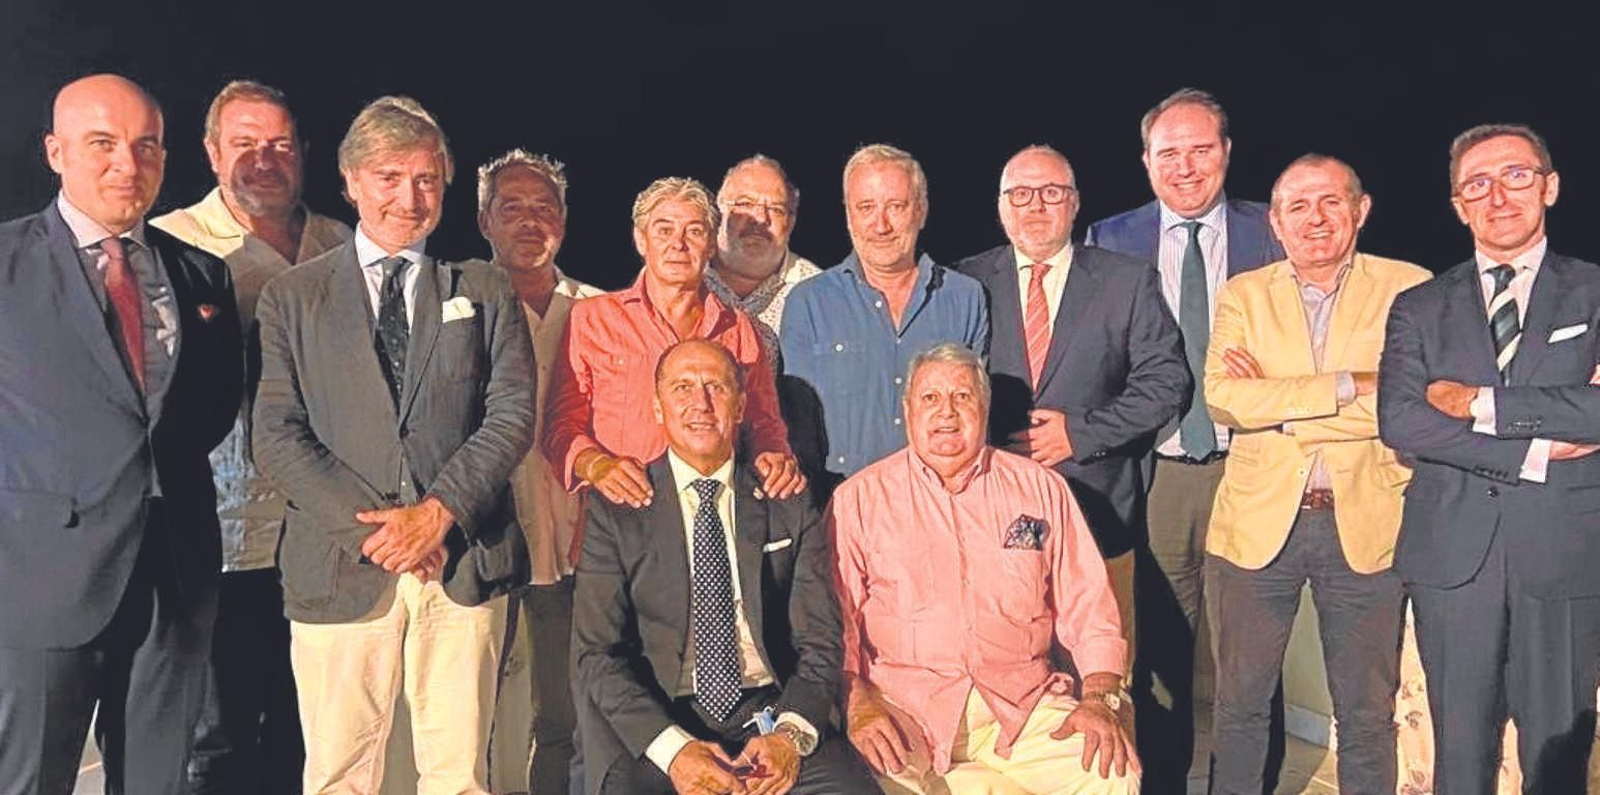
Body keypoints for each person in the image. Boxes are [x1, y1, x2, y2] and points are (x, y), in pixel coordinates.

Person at [252, 95, 535, 794]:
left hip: (461, 562)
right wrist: (383, 534)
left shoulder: (485, 288)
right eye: (388, 177)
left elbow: (510, 415)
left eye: (427, 179)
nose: (408, 197)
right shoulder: (292, 298)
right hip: (343, 566)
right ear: (350, 181)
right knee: (339, 774)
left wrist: (436, 513)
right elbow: (278, 433)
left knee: (458, 772)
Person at [0, 73, 243, 794]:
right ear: (54, 150)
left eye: (146, 147)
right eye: (102, 144)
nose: (126, 165)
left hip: (174, 573)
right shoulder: (7, 264)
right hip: (41, 578)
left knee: (157, 780)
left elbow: (212, 407)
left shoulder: (200, 275)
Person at [1378, 123, 1600, 793]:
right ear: (1457, 204)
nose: (1498, 195)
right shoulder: (1418, 307)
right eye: (1477, 183)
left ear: (1550, 186)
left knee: (1558, 752)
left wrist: (1480, 404)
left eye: (1517, 175)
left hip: (1563, 550)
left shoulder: (1593, 292)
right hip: (1453, 555)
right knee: (1462, 755)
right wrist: (1532, 452)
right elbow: (1403, 421)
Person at [1203, 155, 1429, 793]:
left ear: (1361, 210)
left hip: (1368, 525)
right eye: (1297, 206)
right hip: (1255, 527)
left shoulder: (1409, 287)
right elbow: (1224, 399)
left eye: (1331, 202)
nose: (1315, 218)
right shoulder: (1244, 293)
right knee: (1241, 705)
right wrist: (1348, 386)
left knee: (1365, 712)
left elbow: (1409, 405)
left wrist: (1283, 408)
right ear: (1275, 222)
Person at [151, 79, 351, 794]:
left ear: (303, 153)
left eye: (280, 144)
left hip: (329, 535)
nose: (265, 159)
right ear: (211, 153)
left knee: (317, 734)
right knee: (217, 738)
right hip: (223, 535)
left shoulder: (343, 243)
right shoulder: (171, 243)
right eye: (245, 144)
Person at [1083, 87, 1284, 787]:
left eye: (1202, 149)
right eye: (1170, 152)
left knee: (1254, 655)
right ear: (1146, 162)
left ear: (1227, 152)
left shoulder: (1272, 229)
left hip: (1254, 466)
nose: (1187, 166)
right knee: (1162, 653)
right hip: (1161, 470)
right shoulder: (1111, 239)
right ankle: (1164, 782)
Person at [572, 338, 877, 795]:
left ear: (739, 408)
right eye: (682, 388)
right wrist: (675, 752)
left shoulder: (786, 500)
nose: (700, 402)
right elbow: (597, 654)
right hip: (664, 717)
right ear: (657, 408)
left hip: (772, 710)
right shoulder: (619, 510)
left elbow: (819, 640)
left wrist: (787, 738)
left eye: (715, 386)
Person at [833, 343, 1140, 794]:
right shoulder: (859, 499)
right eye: (930, 398)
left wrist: (1098, 697)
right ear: (907, 409)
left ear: (985, 407)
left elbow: (1089, 607)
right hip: (905, 709)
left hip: (1023, 705)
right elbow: (837, 625)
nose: (946, 413)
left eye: (962, 397)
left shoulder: (1040, 488)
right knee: (871, 779)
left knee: (1110, 773)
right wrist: (856, 703)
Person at [956, 144, 1190, 684]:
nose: (1035, 205)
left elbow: (1166, 382)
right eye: (1020, 194)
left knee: (1104, 673)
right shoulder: (967, 284)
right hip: (994, 515)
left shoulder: (1127, 280)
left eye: (1051, 192)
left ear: (1075, 203)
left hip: (1098, 511)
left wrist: (1080, 435)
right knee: (1010, 671)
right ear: (1000, 207)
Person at [543, 176, 803, 511]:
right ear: (640, 239)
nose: (678, 244)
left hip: (713, 521)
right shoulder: (594, 319)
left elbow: (764, 426)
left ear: (712, 245)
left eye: (694, 231)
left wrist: (775, 460)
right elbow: (560, 427)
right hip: (621, 521)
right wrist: (597, 466)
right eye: (664, 230)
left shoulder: (739, 330)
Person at [476, 148, 602, 795]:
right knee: (479, 720)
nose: (530, 221)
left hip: (572, 550)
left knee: (564, 714)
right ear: (483, 220)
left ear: (564, 219)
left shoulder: (599, 312)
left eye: (543, 206)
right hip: (483, 548)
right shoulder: (459, 307)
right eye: (512, 207)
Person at [780, 144, 988, 493]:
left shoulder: (966, 297)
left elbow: (976, 417)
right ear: (848, 216)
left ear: (921, 212)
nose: (881, 225)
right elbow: (797, 430)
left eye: (896, 206)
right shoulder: (808, 303)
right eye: (866, 208)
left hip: (943, 506)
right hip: (840, 509)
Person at [706, 154, 821, 358]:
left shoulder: (817, 294)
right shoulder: (682, 275)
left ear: (791, 222)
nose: (759, 218)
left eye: (776, 209)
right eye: (745, 204)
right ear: (718, 209)